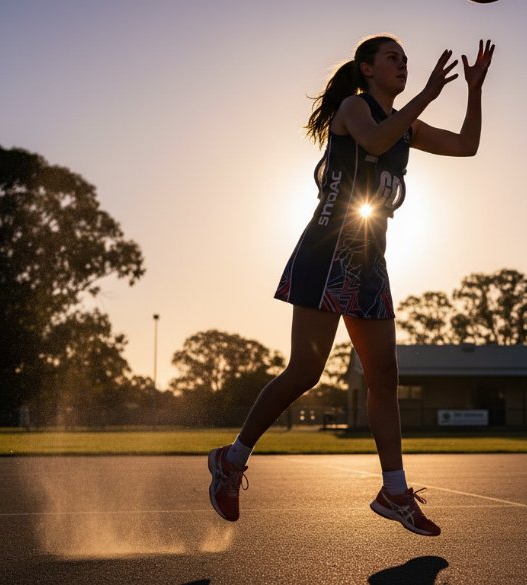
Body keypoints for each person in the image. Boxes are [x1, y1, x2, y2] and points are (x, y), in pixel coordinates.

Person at [208, 34, 495, 537]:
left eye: (406, 60)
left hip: (370, 259)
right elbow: (374, 141)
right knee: (304, 372)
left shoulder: (405, 125)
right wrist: (426, 95)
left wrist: (474, 89)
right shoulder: (354, 109)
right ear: (367, 69)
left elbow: (466, 146)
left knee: (384, 376)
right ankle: (231, 460)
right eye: (393, 59)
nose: (403, 65)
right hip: (328, 249)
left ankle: (394, 491)